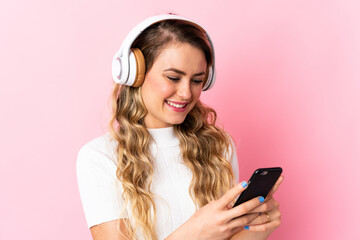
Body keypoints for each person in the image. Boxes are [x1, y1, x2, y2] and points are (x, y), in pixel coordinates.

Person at [76, 14, 284, 240]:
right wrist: (195, 233)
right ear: (134, 73)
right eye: (173, 77)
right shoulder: (99, 158)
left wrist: (253, 232)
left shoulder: (219, 147)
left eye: (197, 80)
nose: (186, 93)